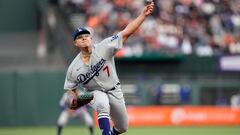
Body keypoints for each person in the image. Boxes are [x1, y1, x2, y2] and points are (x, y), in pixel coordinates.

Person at [63, 1, 154, 135]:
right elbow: (71, 90)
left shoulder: (104, 46)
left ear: (91, 38)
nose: (84, 39)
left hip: (114, 90)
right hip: (94, 93)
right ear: (75, 43)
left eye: (86, 36)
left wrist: (143, 16)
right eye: (80, 37)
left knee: (122, 127)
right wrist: (80, 99)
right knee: (102, 103)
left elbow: (126, 32)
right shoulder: (73, 68)